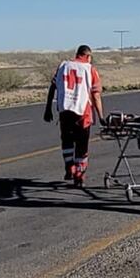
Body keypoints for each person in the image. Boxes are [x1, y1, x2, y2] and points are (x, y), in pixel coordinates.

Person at [43, 45, 105, 187]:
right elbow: (96, 95)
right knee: (82, 145)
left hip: (65, 110)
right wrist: (101, 116)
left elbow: (53, 87)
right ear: (88, 56)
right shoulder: (90, 69)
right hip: (83, 112)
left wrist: (48, 108)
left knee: (67, 140)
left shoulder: (63, 66)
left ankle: (69, 166)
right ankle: (79, 174)